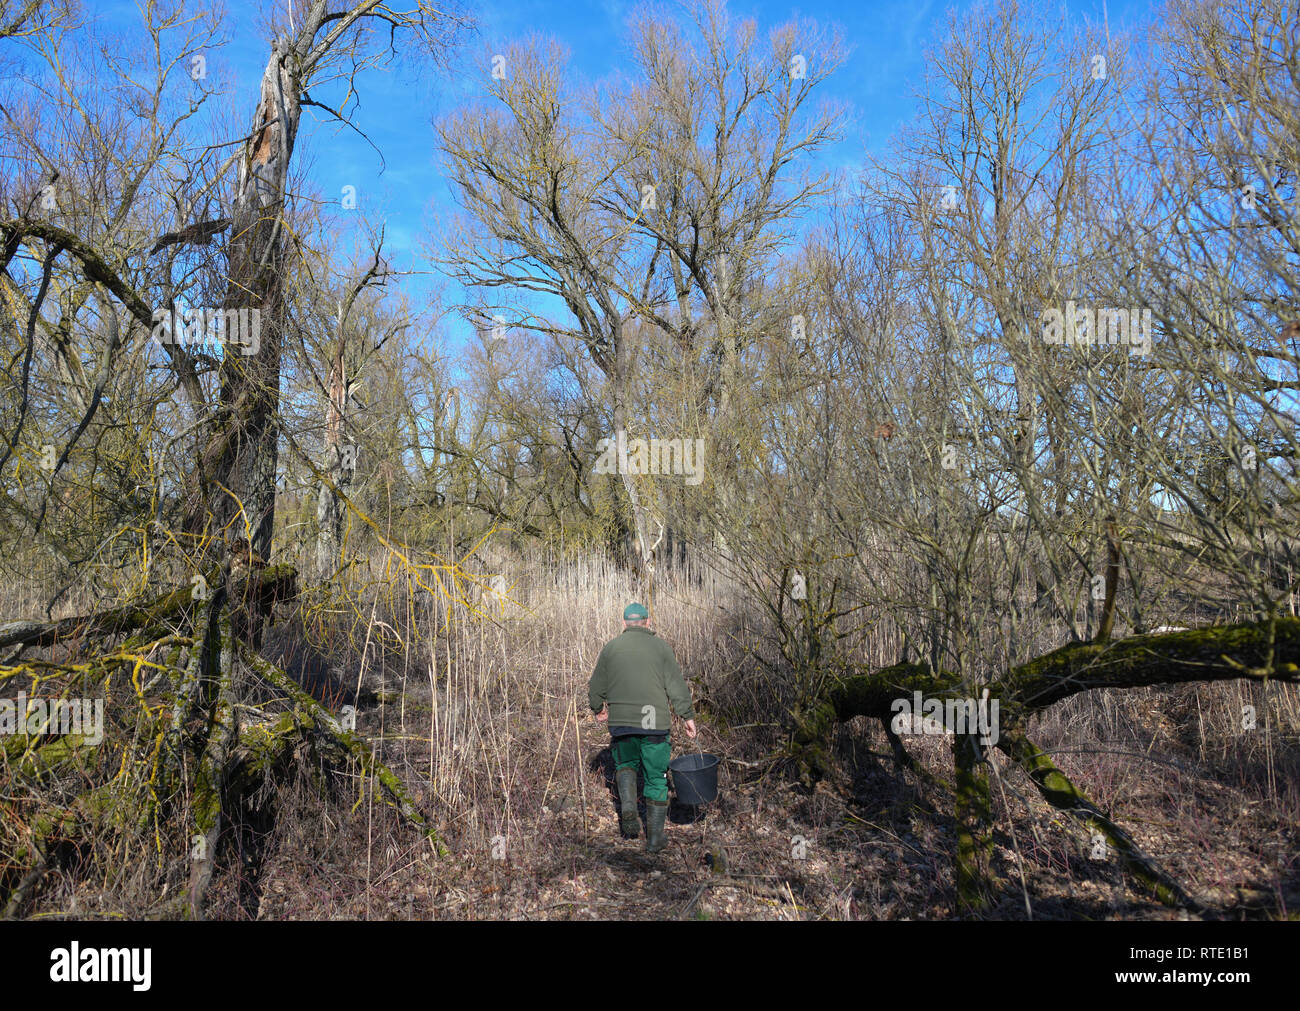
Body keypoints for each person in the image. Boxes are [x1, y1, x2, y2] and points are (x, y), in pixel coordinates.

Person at [588, 602, 697, 853]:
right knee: (656, 777)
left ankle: (628, 811)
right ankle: (655, 839)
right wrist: (687, 716)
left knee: (626, 766)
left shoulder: (611, 648)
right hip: (654, 724)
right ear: (648, 622)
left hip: (622, 722)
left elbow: (595, 688)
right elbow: (676, 686)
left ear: (624, 623)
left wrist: (599, 709)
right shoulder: (661, 648)